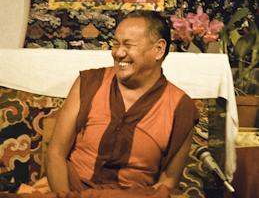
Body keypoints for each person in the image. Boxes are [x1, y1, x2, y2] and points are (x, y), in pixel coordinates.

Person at [46, 10, 199, 196]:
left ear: (158, 49)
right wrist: (64, 194)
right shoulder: (90, 83)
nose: (118, 53)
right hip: (74, 192)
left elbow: (167, 180)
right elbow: (56, 153)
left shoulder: (181, 107)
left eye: (128, 45)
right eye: (115, 44)